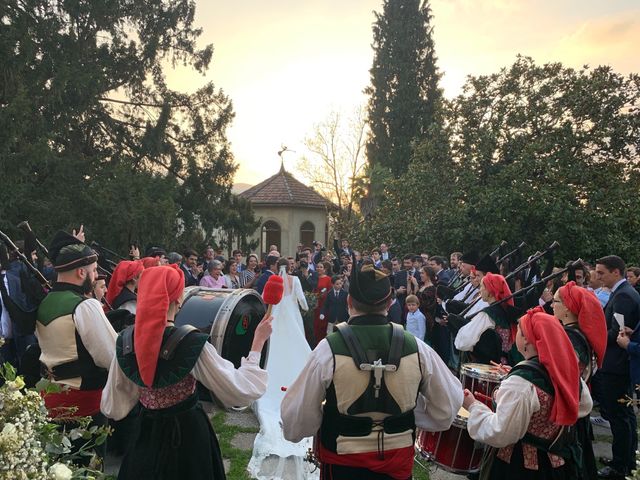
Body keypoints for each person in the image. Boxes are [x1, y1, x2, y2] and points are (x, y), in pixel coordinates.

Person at [281, 263, 463, 479]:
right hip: (397, 469)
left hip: (342, 469)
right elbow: (447, 409)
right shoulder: (418, 349)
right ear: (389, 302)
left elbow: (296, 423)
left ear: (349, 302)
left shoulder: (327, 350)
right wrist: (406, 414)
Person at [101, 264, 272, 480]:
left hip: (146, 436)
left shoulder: (125, 342)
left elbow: (113, 406)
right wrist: (257, 344)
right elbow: (240, 389)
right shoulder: (189, 343)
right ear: (178, 300)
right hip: (190, 438)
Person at [463, 308, 592, 479]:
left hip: (517, 467)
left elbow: (501, 433)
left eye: (519, 330)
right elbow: (585, 405)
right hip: (554, 464)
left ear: (526, 341)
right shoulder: (566, 372)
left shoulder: (522, 383)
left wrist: (473, 406)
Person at [36, 230, 117, 460]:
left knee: (58, 465)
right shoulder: (85, 306)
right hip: (83, 404)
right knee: (86, 467)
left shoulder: (45, 301)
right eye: (92, 271)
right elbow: (109, 355)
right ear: (81, 272)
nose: (94, 276)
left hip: (50, 397)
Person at [248, 258, 314, 479]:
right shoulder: (295, 281)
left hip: (276, 320)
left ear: (277, 267)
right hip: (293, 321)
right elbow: (304, 304)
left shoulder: (274, 280)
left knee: (273, 353)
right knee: (299, 352)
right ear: (291, 267)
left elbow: (268, 301)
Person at [591, 255, 640, 479]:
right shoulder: (623, 294)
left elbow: (615, 332)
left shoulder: (623, 296)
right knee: (625, 415)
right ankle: (627, 459)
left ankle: (620, 466)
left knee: (618, 416)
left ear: (616, 272)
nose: (598, 277)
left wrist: (593, 337)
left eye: (602, 273)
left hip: (617, 365)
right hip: (619, 363)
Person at [553, 281, 607, 480]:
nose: (551, 304)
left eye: (556, 301)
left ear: (567, 308)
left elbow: (562, 376)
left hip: (569, 413)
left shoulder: (571, 338)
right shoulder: (577, 334)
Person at [454, 272, 515, 365]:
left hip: (487, 366)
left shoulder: (488, 315)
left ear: (490, 291)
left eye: (482, 286)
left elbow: (463, 342)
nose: (480, 290)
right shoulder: (504, 310)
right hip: (503, 363)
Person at [313, 261, 333, 347]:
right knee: (316, 326)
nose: (319, 269)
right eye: (317, 267)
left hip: (324, 306)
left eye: (321, 267)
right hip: (315, 306)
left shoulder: (328, 279)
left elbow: (330, 292)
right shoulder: (314, 278)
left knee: (324, 326)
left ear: (324, 269)